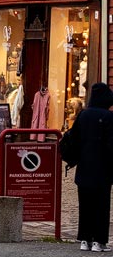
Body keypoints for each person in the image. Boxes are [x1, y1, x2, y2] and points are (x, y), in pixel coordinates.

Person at [63, 82, 113, 252]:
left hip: (84, 168)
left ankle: (85, 240)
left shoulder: (83, 115)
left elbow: (73, 140)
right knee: (101, 206)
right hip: (103, 169)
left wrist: (73, 159)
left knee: (85, 205)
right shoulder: (108, 117)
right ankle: (99, 242)